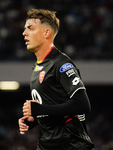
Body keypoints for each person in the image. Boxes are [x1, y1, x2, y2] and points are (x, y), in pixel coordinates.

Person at [18, 8, 94, 150]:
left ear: (46, 33)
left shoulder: (62, 64)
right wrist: (34, 119)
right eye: (25, 29)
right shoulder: (38, 67)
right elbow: (54, 106)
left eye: (30, 28)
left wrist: (40, 109)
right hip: (46, 145)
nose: (24, 33)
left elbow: (82, 104)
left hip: (71, 145)